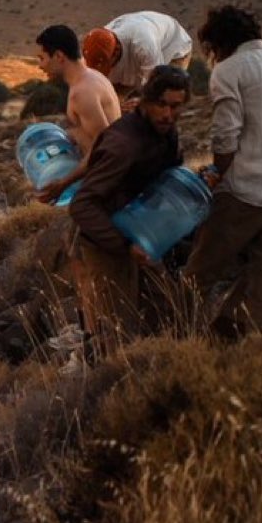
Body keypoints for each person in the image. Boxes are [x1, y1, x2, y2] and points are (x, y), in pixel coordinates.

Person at [184, 5, 262, 335]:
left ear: (218, 44)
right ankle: (256, 349)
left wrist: (215, 173)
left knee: (199, 273)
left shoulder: (229, 71)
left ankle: (178, 341)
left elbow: (225, 137)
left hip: (247, 192)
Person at [67, 66, 190, 355]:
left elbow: (166, 178)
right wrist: (124, 245)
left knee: (164, 315)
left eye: (175, 107)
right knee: (118, 334)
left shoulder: (167, 134)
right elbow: (82, 205)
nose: (167, 115)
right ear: (145, 101)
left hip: (144, 237)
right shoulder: (124, 143)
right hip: (107, 244)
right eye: (161, 105)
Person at [33, 25, 121, 204]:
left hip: (109, 183)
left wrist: (63, 184)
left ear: (58, 56)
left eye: (42, 58)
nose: (40, 66)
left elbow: (104, 148)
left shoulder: (82, 92)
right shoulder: (93, 76)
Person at [83, 11, 193, 105]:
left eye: (106, 65)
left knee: (160, 102)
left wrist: (140, 103)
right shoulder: (96, 50)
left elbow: (158, 84)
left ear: (116, 52)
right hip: (135, 64)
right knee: (111, 106)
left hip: (172, 50)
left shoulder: (143, 43)